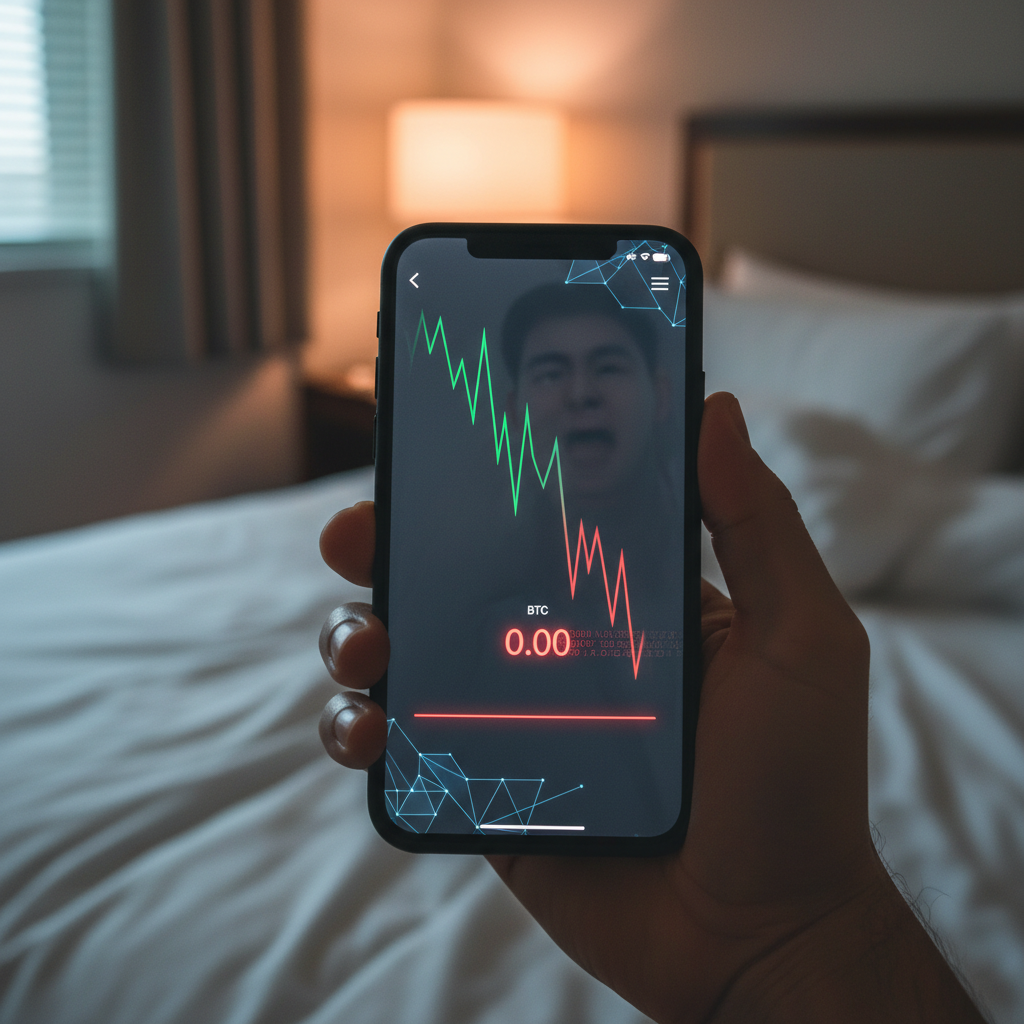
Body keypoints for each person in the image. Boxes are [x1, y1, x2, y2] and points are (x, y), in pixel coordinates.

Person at [316, 391, 987, 1023]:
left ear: (661, 389)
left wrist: (801, 932)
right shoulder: (475, 550)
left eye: (606, 366)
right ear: (513, 397)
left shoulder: (682, 619)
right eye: (551, 372)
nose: (580, 394)